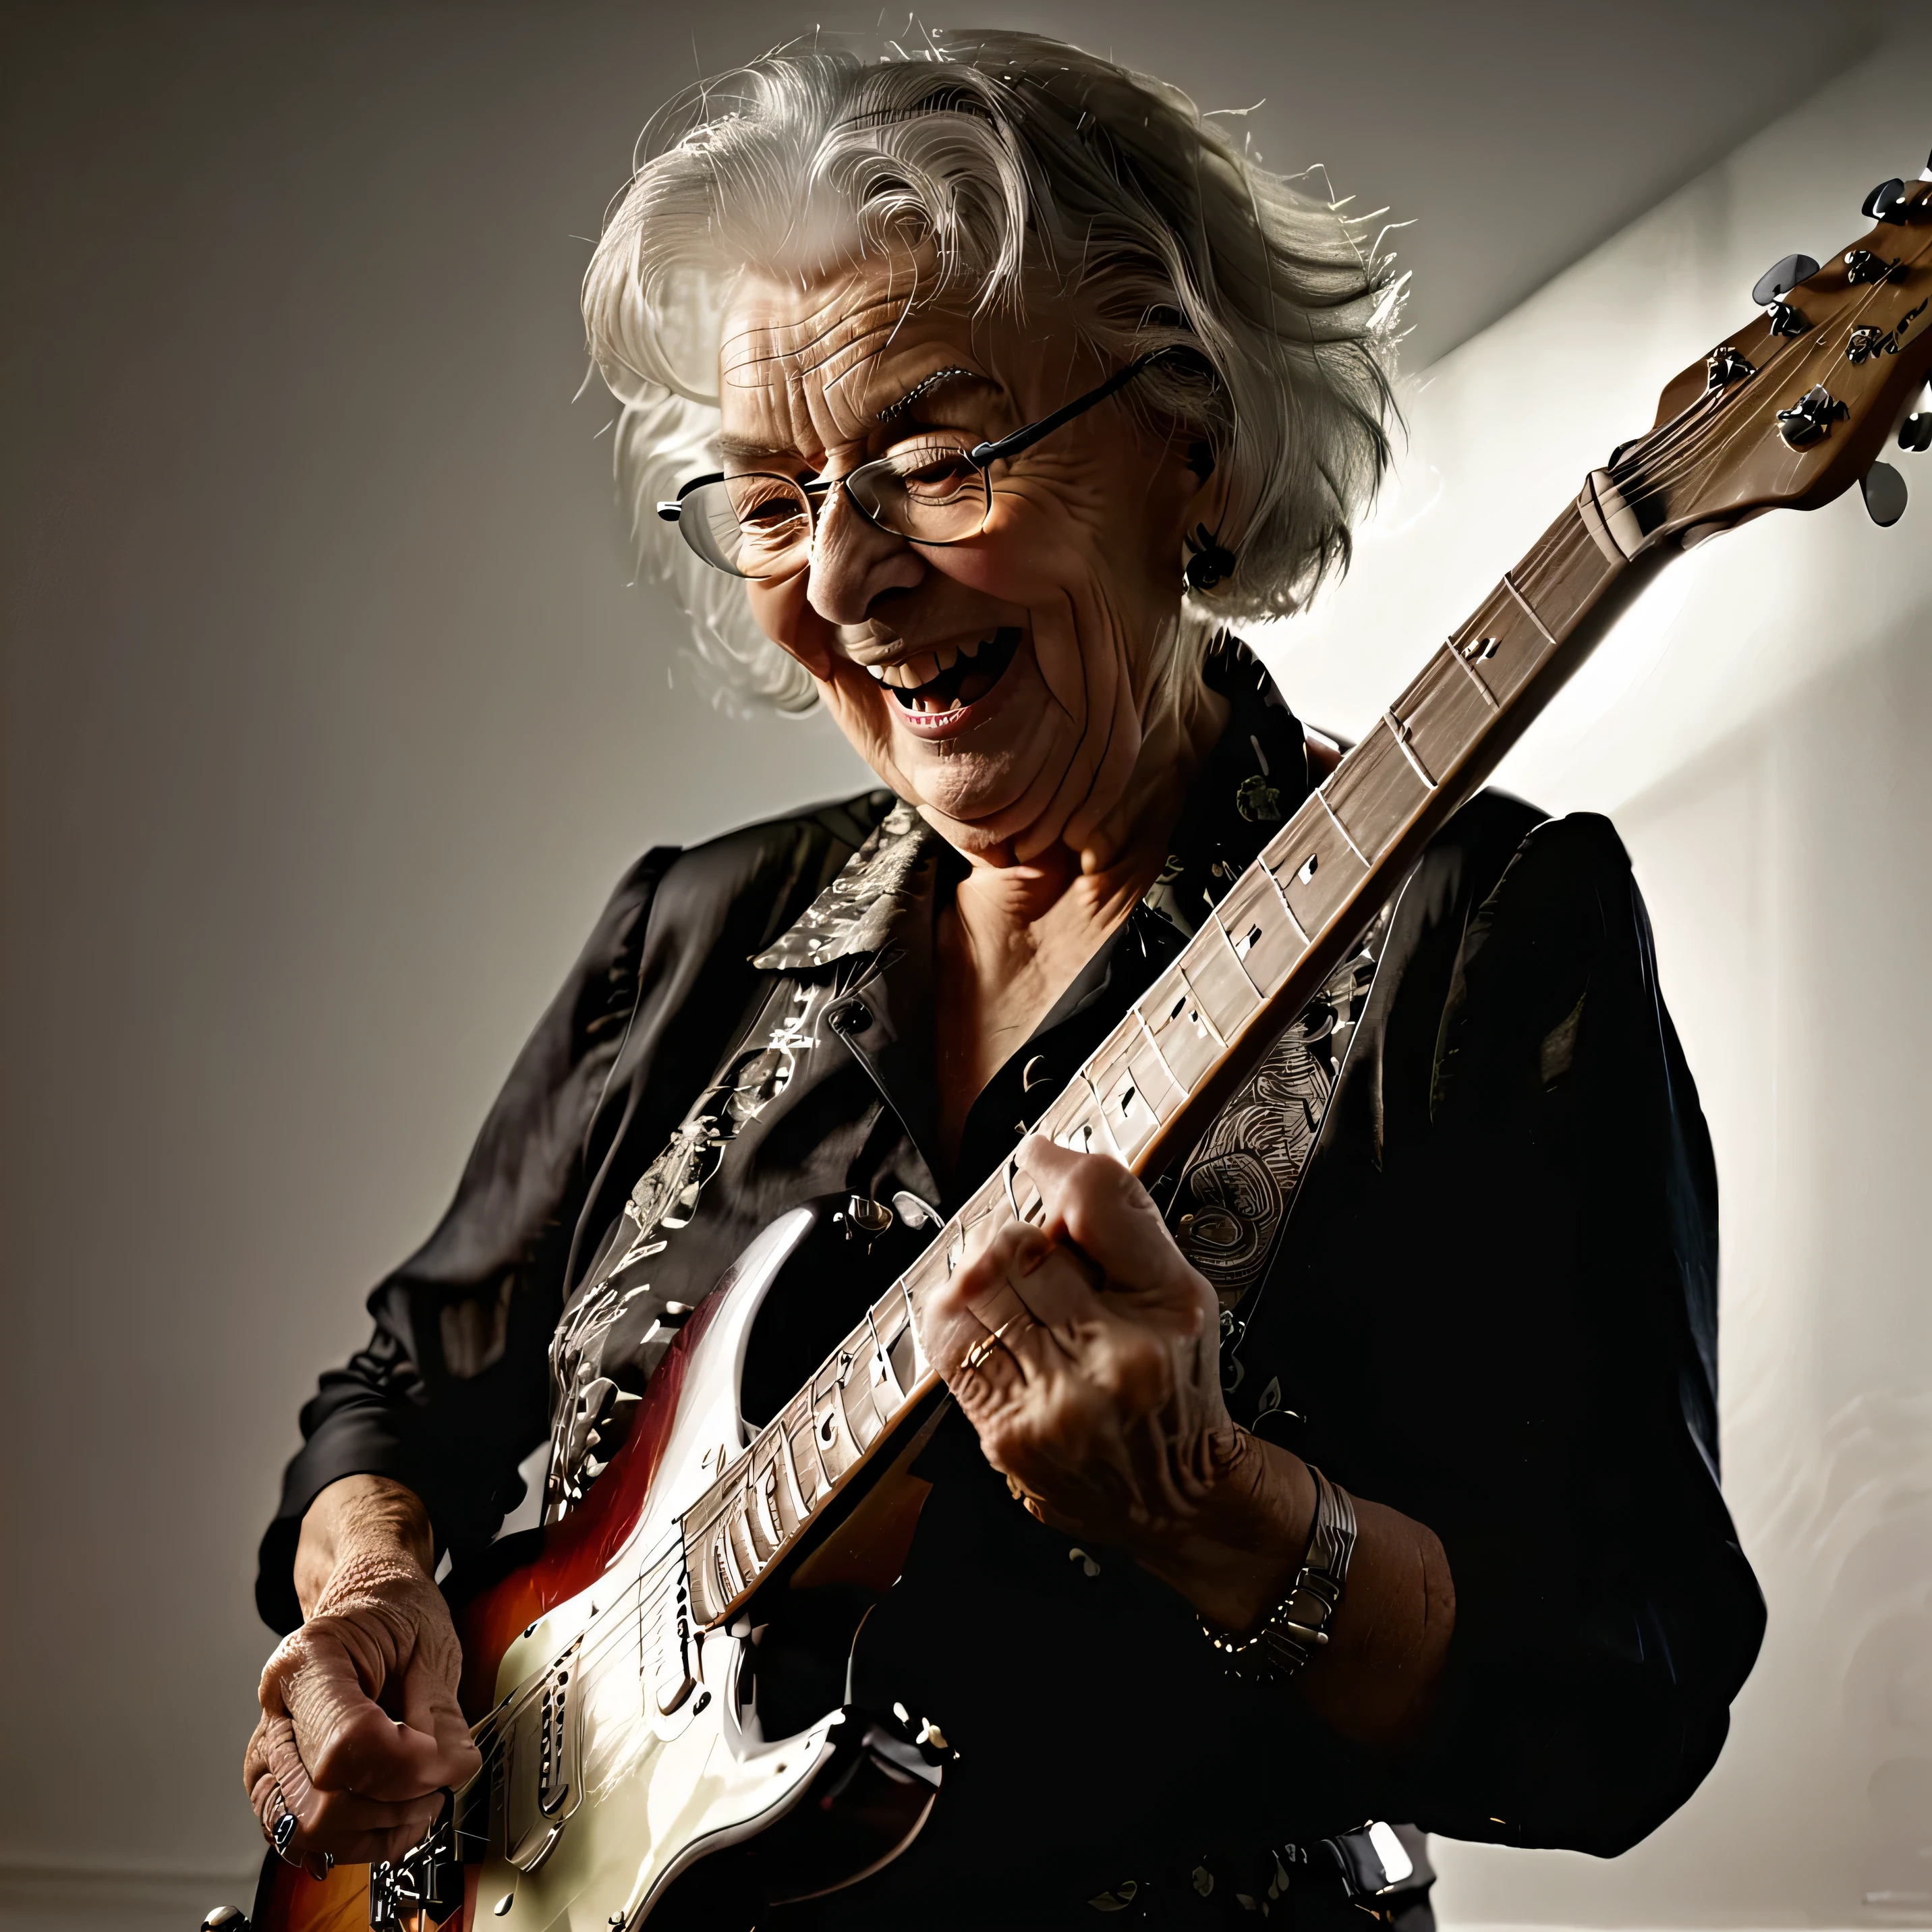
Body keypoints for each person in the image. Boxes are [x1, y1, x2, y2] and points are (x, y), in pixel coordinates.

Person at [244, 32, 1765, 1929]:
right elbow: (403, 1396)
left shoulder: (1481, 935)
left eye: (936, 457)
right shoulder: (692, 935)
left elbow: (1627, 1693)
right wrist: (369, 1597)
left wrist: (1219, 1515)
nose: (851, 576)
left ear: (1191, 439)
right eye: (775, 498)